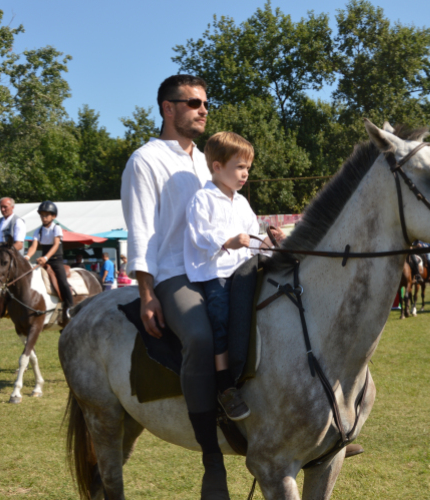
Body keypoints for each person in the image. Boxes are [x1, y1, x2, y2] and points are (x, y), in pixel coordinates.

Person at [121, 74, 228, 497]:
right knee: (200, 337)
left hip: (219, 267)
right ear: (168, 108)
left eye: (205, 103)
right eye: (194, 103)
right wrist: (147, 293)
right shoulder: (145, 160)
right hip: (173, 273)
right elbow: (141, 230)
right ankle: (212, 459)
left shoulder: (208, 160)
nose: (203, 109)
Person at [185, 131, 278, 423]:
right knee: (220, 318)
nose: (245, 173)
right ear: (216, 167)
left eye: (247, 168)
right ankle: (224, 384)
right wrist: (228, 241)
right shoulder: (202, 199)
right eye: (239, 167)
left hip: (244, 272)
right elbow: (201, 235)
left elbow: (253, 235)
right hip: (216, 275)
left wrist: (268, 242)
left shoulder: (241, 203)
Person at [25, 201, 74, 319]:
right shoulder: (38, 231)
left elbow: (56, 245)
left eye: (47, 215)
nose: (44, 217)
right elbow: (34, 246)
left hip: (56, 260)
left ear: (53, 216)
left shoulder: (56, 228)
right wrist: (26, 257)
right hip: (44, 260)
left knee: (62, 281)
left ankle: (71, 307)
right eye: (42, 215)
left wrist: (46, 257)